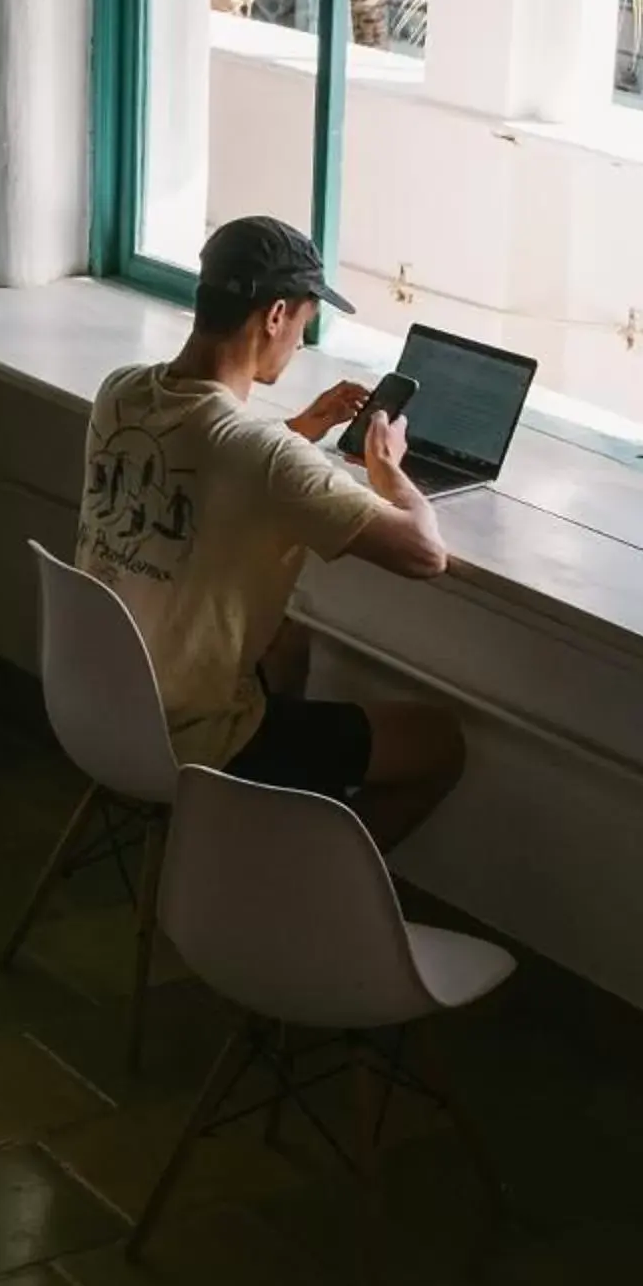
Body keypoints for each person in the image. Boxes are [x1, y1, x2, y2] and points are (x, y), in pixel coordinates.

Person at [78, 215, 465, 844]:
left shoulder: (119, 393)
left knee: (288, 643)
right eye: (306, 323)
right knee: (438, 743)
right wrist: (389, 471)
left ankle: (252, 834)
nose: (300, 343)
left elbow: (212, 463)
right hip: (189, 736)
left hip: (96, 703)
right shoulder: (265, 458)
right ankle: (305, 892)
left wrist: (306, 425)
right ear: (276, 315)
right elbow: (425, 554)